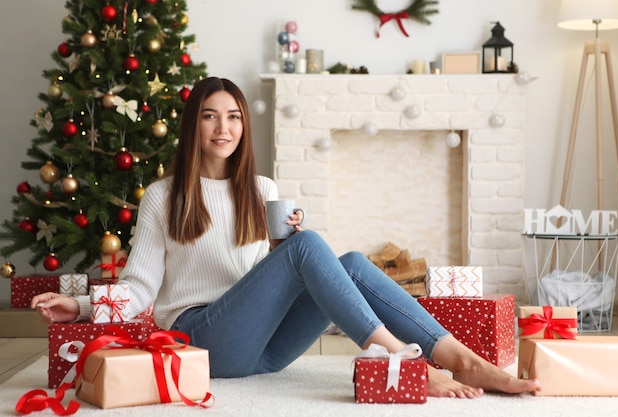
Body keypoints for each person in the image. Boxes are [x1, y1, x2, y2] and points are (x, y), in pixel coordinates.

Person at [32, 76, 541, 398]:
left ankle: (462, 359)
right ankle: (398, 355)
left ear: (243, 128)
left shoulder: (262, 189)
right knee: (311, 247)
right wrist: (78, 309)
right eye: (210, 115)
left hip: (266, 350)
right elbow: (142, 288)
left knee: (354, 263)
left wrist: (280, 255)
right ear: (194, 124)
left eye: (233, 116)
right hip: (205, 339)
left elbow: (264, 276)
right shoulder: (164, 196)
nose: (223, 127)